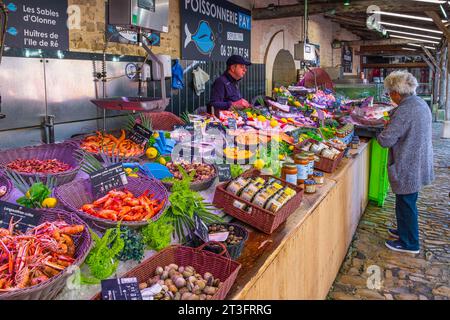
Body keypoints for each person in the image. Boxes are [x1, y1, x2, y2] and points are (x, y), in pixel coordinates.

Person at [377, 70, 434, 254]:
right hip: (418, 161)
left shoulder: (405, 110)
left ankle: (410, 243)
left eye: (389, 92)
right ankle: (404, 231)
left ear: (396, 93)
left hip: (409, 163)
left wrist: (381, 131)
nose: (389, 96)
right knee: (406, 201)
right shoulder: (418, 103)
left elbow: (386, 140)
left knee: (407, 202)